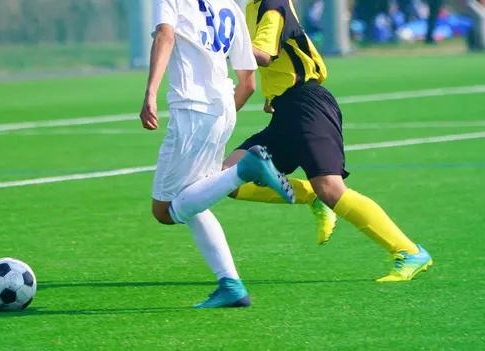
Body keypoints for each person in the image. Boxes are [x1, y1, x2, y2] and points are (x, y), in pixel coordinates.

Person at [223, 0, 433, 282]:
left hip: (307, 105)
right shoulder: (250, 7)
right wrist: (273, 95)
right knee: (228, 177)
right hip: (287, 109)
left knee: (332, 187)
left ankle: (408, 252)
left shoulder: (271, 3)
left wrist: (215, 45)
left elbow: (263, 54)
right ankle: (311, 196)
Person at [139, 0, 295, 308]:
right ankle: (231, 285)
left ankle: (246, 168)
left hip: (192, 110)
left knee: (165, 211)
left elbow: (165, 36)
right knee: (194, 198)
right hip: (223, 109)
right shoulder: (230, 6)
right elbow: (248, 82)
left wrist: (150, 93)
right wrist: (216, 118)